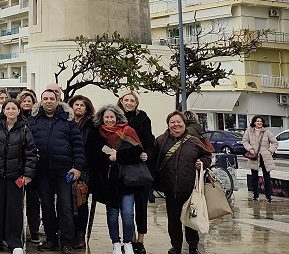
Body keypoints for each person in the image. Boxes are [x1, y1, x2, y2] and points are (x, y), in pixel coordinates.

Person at [86, 105, 147, 254]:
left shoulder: (128, 131)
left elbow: (137, 151)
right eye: (106, 117)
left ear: (117, 117)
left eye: (112, 117)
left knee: (128, 214)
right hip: (107, 181)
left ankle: (127, 243)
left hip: (127, 180)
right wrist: (108, 159)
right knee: (112, 214)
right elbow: (91, 155)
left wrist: (118, 156)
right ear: (102, 118)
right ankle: (115, 243)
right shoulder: (96, 133)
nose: (109, 120)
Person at [30, 87, 84, 254]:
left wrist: (77, 167)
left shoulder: (68, 120)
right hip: (42, 171)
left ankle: (66, 242)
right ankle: (51, 239)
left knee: (65, 207)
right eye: (45, 98)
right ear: (41, 101)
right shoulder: (33, 121)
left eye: (51, 99)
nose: (48, 101)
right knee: (46, 206)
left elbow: (77, 145)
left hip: (64, 171)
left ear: (57, 100)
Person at [151, 111, 212, 254]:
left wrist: (201, 162)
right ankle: (176, 247)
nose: (176, 125)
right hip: (169, 187)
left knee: (191, 219)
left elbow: (207, 156)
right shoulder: (160, 141)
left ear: (184, 124)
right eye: (172, 122)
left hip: (190, 187)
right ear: (168, 124)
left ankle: (193, 247)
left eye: (179, 122)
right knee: (173, 220)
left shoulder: (194, 141)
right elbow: (154, 161)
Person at [0, 98, 38, 254]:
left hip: (16, 177)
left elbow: (31, 153)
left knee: (14, 209)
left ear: (18, 111)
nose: (11, 111)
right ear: (4, 111)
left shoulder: (25, 129)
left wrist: (27, 173)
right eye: (8, 109)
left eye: (14, 108)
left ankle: (14, 241)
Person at [118, 90, 153, 254]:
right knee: (126, 209)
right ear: (121, 101)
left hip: (139, 167)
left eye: (132, 100)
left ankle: (140, 240)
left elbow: (150, 142)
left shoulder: (143, 119)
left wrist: (148, 154)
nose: (129, 103)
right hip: (122, 166)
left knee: (141, 206)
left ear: (136, 103)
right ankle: (129, 238)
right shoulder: (116, 118)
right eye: (126, 100)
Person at [67, 95, 94, 250]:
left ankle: (80, 234)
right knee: (66, 202)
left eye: (82, 105)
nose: (79, 107)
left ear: (86, 108)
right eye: (76, 104)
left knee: (81, 201)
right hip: (66, 165)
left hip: (84, 168)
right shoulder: (66, 121)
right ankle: (67, 233)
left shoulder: (91, 125)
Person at [17, 89, 41, 244]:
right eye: (24, 101)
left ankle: (34, 230)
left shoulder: (38, 119)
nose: (26, 103)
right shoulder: (14, 117)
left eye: (29, 101)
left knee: (33, 201)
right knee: (16, 200)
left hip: (33, 165)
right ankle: (16, 229)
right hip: (16, 165)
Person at [242, 115, 278, 202]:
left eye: (261, 121)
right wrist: (250, 149)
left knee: (267, 177)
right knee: (254, 177)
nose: (259, 123)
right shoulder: (249, 131)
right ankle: (255, 195)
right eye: (257, 121)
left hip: (265, 157)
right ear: (254, 122)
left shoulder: (267, 132)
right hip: (254, 156)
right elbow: (245, 141)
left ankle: (268, 195)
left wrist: (269, 151)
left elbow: (274, 142)